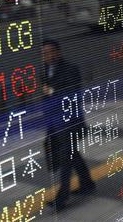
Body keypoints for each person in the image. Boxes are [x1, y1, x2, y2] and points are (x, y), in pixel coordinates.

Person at [41, 40, 96, 212]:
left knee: (66, 159)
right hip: (54, 121)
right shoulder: (44, 71)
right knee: (72, 154)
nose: (48, 56)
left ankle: (61, 198)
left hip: (69, 121)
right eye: (45, 53)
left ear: (58, 52)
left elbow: (72, 94)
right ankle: (87, 183)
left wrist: (52, 91)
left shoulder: (70, 68)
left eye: (51, 52)